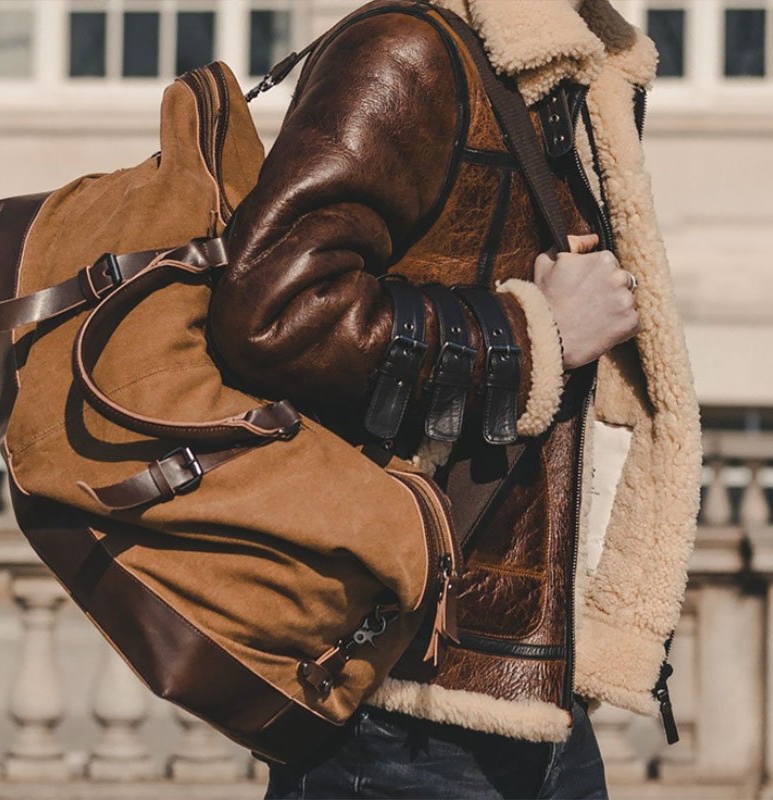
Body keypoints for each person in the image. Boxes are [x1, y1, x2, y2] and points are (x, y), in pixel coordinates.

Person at [208, 0, 702, 796]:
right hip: (395, 702)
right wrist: (533, 334)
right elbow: (271, 311)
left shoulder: (580, 73)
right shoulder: (409, 52)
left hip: (534, 688)